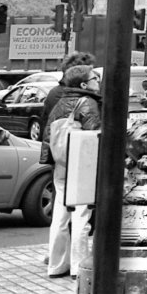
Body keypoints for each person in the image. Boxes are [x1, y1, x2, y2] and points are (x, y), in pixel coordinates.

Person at [43, 56, 102, 278]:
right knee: (81, 215)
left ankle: (57, 265)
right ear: (84, 85)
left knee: (60, 214)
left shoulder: (60, 102)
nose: (98, 81)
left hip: (61, 164)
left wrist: (50, 160)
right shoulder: (88, 103)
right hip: (81, 164)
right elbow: (94, 135)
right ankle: (79, 266)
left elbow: (47, 134)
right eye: (95, 78)